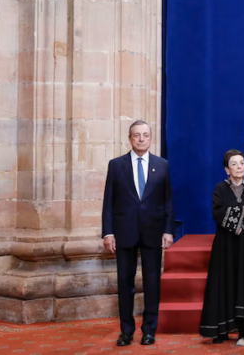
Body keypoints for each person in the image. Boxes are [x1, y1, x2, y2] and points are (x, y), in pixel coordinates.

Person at [102, 120, 174, 347]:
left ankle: (149, 330)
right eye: (137, 135)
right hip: (124, 233)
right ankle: (126, 331)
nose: (141, 139)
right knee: (125, 282)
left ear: (151, 138)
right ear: (130, 138)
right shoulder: (116, 165)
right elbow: (108, 202)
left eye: (145, 135)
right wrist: (108, 232)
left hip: (153, 232)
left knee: (152, 282)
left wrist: (168, 230)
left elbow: (168, 201)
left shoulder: (162, 165)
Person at [198, 150, 244, 343]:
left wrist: (242, 216)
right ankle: (221, 329)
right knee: (224, 284)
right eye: (234, 164)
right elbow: (217, 213)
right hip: (225, 246)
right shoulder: (219, 188)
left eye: (242, 163)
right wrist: (243, 210)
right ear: (226, 169)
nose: (239, 167)